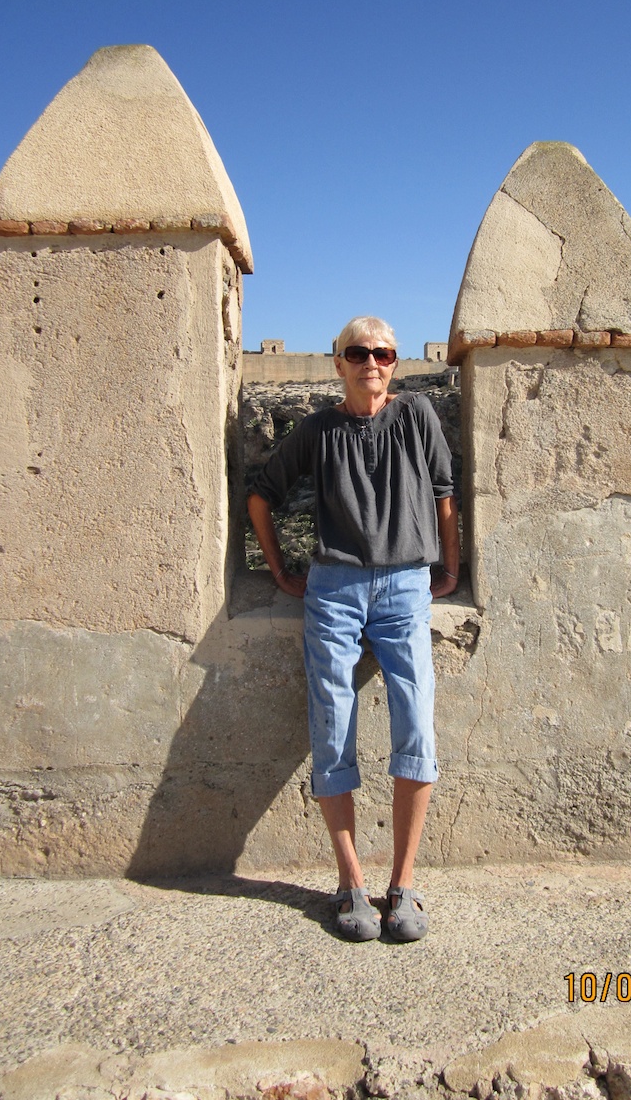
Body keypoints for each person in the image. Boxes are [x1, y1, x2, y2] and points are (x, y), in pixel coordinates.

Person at [247, 316, 459, 942]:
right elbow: (262, 496)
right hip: (334, 589)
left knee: (416, 719)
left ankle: (403, 885)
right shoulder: (316, 429)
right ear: (338, 363)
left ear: (395, 362)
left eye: (384, 352)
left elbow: (444, 493)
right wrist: (282, 570)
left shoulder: (417, 414)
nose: (373, 361)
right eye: (359, 352)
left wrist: (448, 566)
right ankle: (350, 883)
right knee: (332, 723)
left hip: (404, 586)